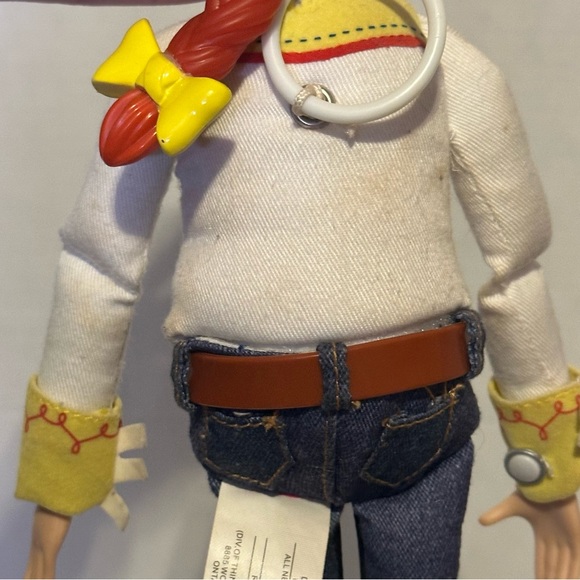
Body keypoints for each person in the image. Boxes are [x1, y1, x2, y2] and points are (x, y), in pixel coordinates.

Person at [15, 0, 580, 577]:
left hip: (315, 412)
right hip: (364, 407)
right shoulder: (178, 66)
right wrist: (546, 465)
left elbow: (97, 263)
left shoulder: (170, 64)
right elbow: (518, 262)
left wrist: (65, 466)